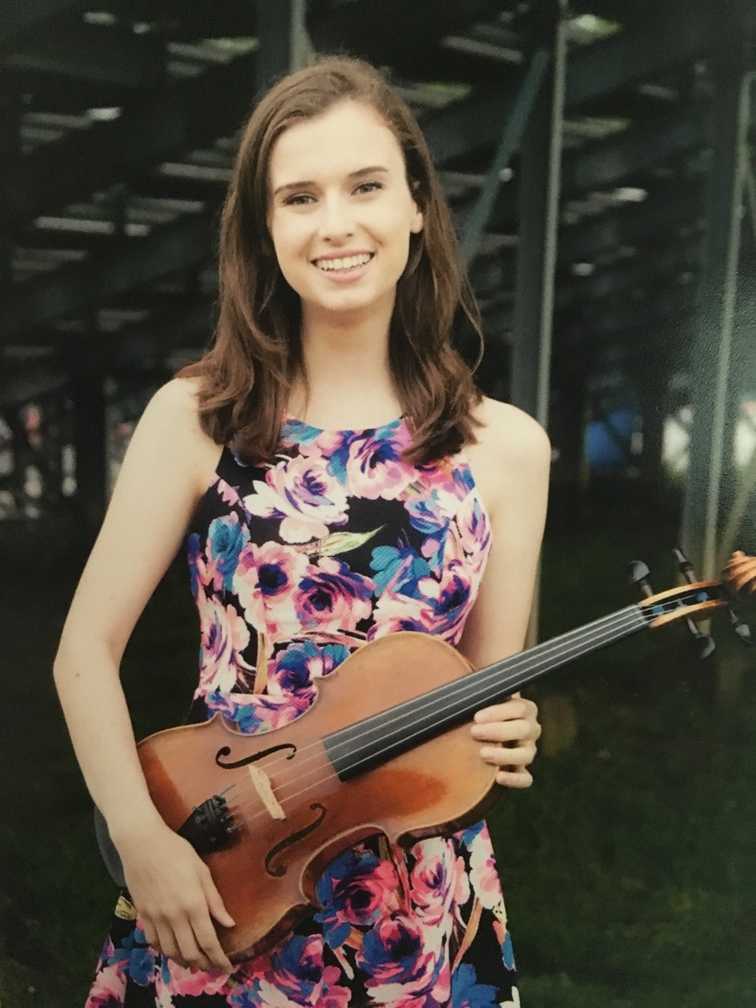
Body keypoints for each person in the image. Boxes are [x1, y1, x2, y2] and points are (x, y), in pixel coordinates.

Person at [53, 53, 550, 1008]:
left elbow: (484, 696)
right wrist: (141, 838)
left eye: (365, 186)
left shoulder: (509, 449)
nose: (336, 225)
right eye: (299, 197)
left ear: (416, 206)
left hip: (416, 901)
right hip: (222, 871)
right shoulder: (196, 416)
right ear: (264, 229)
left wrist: (511, 731)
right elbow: (84, 649)